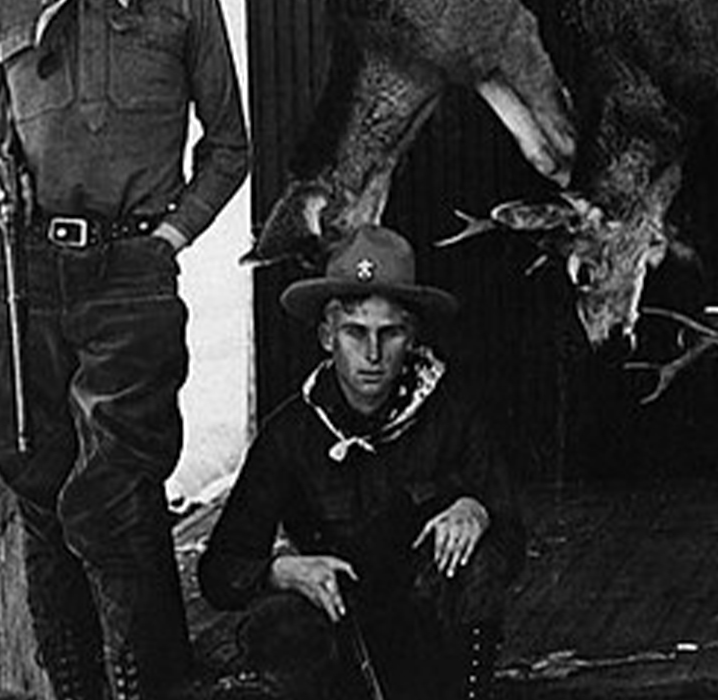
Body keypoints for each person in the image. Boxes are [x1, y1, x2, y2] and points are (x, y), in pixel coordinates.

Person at [0, 0, 250, 698]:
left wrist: (173, 236)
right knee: (38, 484)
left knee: (116, 493)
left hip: (132, 276)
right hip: (21, 275)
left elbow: (229, 145)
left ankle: (154, 686)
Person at [198, 226, 523, 700]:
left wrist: (477, 509)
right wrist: (282, 570)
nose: (372, 355)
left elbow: (512, 537)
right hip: (339, 624)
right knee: (275, 626)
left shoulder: (454, 411)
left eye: (389, 334)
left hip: (427, 619)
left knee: (479, 566)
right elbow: (219, 570)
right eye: (356, 333)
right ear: (327, 336)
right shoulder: (290, 433)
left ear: (411, 337)